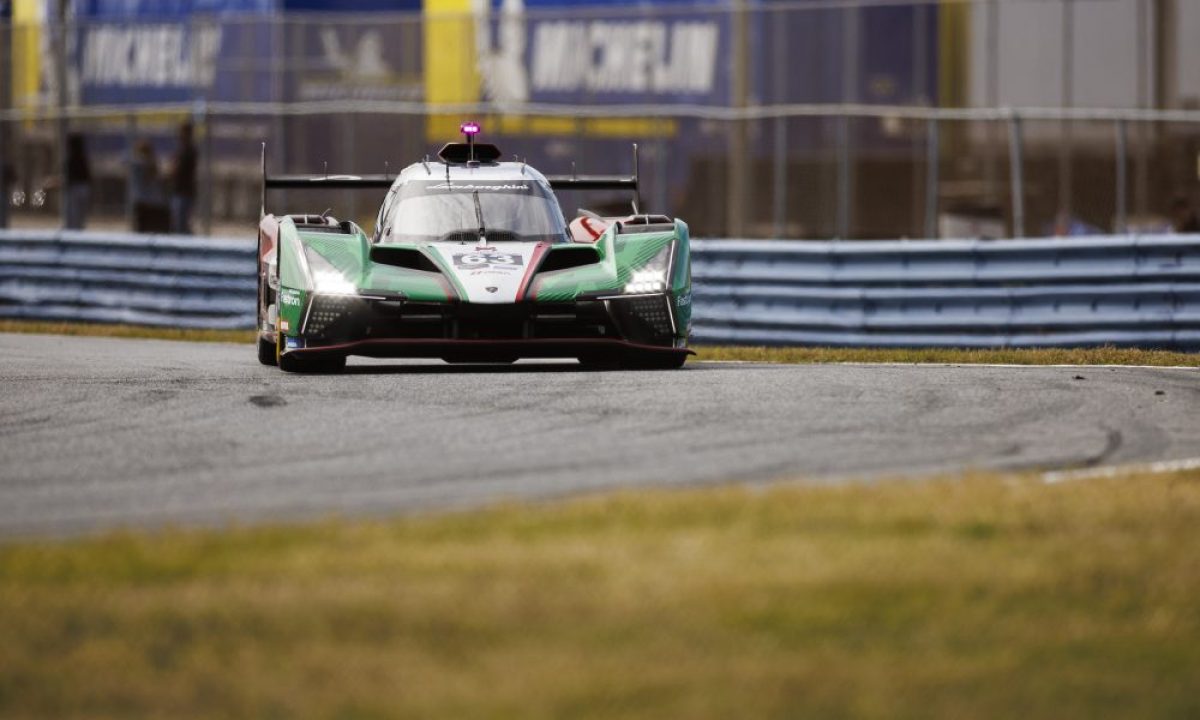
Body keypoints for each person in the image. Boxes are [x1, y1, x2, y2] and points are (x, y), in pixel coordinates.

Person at [128, 138, 168, 233]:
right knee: (143, 228)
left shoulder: (139, 163)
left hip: (144, 201)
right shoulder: (142, 163)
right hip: (145, 201)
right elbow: (151, 175)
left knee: (144, 228)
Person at [168, 121, 197, 234]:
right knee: (178, 223)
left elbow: (177, 168)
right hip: (179, 190)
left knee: (181, 223)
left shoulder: (189, 150)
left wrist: (172, 169)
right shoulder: (182, 149)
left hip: (184, 191)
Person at [64, 132, 91, 230]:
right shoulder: (83, 157)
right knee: (80, 217)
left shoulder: (71, 158)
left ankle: (73, 232)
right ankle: (78, 230)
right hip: (84, 188)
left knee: (73, 216)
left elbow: (69, 177)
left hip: (75, 188)